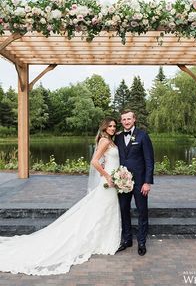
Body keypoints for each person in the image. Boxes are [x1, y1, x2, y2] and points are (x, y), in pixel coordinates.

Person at [0, 117, 121, 276]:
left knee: (104, 211)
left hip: (111, 183)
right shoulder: (105, 141)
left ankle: (102, 239)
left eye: (114, 126)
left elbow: (106, 159)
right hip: (108, 182)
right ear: (104, 128)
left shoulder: (109, 140)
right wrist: (108, 176)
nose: (112, 128)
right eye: (110, 126)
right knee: (101, 210)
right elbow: (94, 161)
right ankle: (99, 240)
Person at [115, 110, 154, 256]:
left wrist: (147, 182)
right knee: (124, 210)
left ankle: (142, 242)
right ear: (121, 121)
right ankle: (127, 240)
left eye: (129, 119)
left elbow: (149, 160)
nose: (126, 121)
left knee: (142, 211)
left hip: (139, 182)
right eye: (124, 119)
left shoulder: (142, 136)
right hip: (122, 182)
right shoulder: (118, 137)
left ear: (134, 119)